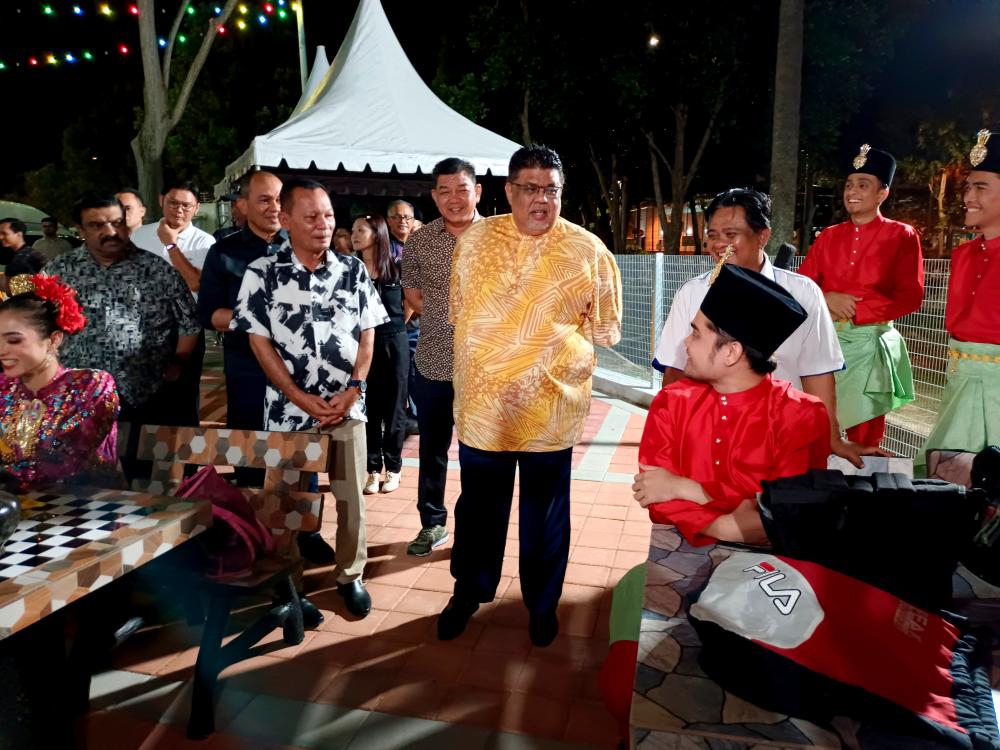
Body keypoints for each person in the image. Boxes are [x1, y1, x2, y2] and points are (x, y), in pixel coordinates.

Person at [437, 145, 622, 646]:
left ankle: (542, 605)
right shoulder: (474, 241)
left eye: (551, 190)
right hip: (482, 411)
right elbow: (459, 312)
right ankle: (468, 592)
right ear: (509, 191)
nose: (541, 199)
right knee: (478, 510)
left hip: (550, 413)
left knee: (545, 517)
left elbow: (604, 328)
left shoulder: (589, 251)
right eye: (530, 188)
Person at [232, 178, 389, 618]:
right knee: (284, 501)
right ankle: (289, 583)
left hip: (346, 406)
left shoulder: (352, 270)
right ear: (284, 220)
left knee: (351, 495)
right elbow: (258, 341)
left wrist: (355, 386)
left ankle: (350, 575)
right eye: (311, 216)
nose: (323, 225)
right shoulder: (262, 273)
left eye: (329, 215)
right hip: (287, 409)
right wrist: (296, 395)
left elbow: (368, 332)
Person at [652, 187, 885, 468]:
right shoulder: (692, 293)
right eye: (713, 235)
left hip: (783, 440)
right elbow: (675, 371)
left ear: (763, 235)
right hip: (711, 440)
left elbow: (818, 373)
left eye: (730, 234)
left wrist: (832, 439)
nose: (718, 244)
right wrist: (675, 436)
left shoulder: (803, 293)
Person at [634, 263, 831, 545]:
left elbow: (789, 513)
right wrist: (744, 513)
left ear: (731, 352)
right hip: (683, 549)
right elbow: (653, 493)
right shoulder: (672, 402)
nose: (686, 343)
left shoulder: (801, 415)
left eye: (697, 333)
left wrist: (687, 489)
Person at [798, 145, 924, 447]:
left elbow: (910, 296)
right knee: (815, 426)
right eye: (849, 185)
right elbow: (802, 285)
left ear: (883, 193)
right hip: (825, 344)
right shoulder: (829, 236)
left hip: (870, 347)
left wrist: (859, 311)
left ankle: (860, 490)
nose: (852, 191)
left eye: (863, 185)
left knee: (865, 436)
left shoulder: (902, 236)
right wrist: (827, 298)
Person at [45, 194, 200, 430]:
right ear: (80, 230)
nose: (111, 232)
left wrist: (178, 362)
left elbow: (189, 321)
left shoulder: (156, 269)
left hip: (144, 394)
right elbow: (37, 324)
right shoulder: (58, 272)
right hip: (77, 395)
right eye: (97, 225)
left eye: (117, 223)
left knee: (139, 463)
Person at [401, 157, 483, 556]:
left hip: (486, 367)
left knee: (479, 450)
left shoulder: (500, 236)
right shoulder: (420, 240)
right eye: (444, 191)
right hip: (433, 361)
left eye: (462, 189)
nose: (454, 198)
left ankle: (475, 526)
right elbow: (413, 296)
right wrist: (443, 313)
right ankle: (432, 523)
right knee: (433, 447)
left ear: (478, 191)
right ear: (434, 197)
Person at [917, 128, 1000, 473]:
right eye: (968, 186)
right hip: (957, 383)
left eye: (981, 187)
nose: (968, 195)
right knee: (945, 479)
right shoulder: (964, 254)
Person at [198, 171, 285, 482]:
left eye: (278, 199)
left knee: (301, 455)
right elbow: (208, 313)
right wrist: (254, 320)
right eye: (264, 200)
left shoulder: (303, 247)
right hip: (247, 368)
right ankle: (249, 525)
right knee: (250, 453)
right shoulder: (224, 252)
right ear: (243, 205)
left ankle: (301, 530)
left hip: (300, 370)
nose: (274, 207)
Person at [0, 273, 121, 491]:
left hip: (84, 511)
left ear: (54, 339)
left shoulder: (91, 385)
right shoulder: (3, 387)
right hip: (16, 509)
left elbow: (65, 462)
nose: (1, 350)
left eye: (14, 340)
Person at [351, 214, 410, 495]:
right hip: (363, 345)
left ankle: (394, 468)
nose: (355, 234)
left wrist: (397, 327)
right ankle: (373, 470)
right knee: (370, 408)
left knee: (396, 407)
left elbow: (411, 302)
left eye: (361, 229)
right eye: (353, 230)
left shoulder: (396, 268)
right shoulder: (350, 270)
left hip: (394, 341)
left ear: (377, 233)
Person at [130, 180, 215, 294]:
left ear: (197, 208)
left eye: (186, 205)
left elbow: (196, 284)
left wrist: (170, 245)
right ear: (161, 200)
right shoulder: (139, 235)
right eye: (173, 203)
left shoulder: (205, 242)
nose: (179, 210)